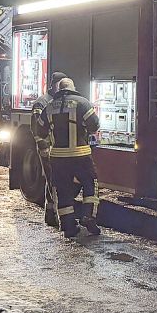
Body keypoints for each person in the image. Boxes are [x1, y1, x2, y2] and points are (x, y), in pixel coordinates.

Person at [36, 78, 102, 238]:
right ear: (73, 88)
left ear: (59, 89)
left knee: (63, 191)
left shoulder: (49, 106)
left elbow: (40, 130)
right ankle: (88, 216)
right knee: (90, 184)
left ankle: (68, 227)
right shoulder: (82, 102)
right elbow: (94, 125)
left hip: (58, 158)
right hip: (80, 155)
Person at [31, 71, 67, 227]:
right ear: (53, 84)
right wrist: (43, 146)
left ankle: (50, 213)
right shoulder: (42, 102)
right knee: (53, 181)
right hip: (47, 147)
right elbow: (36, 127)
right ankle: (56, 216)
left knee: (51, 180)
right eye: (59, 84)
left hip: (56, 148)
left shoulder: (59, 100)